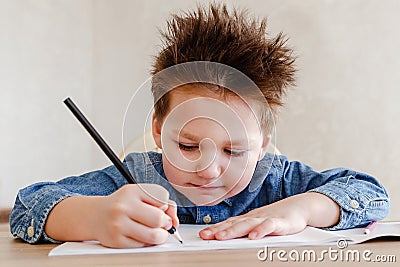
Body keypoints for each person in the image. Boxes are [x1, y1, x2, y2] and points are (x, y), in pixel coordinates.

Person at [10, 3, 389, 248]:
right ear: (159, 130)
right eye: (189, 147)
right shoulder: (136, 178)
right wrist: (90, 218)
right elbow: (28, 206)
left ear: (261, 145)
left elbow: (372, 195)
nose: (208, 170)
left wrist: (303, 209)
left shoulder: (278, 181)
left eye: (234, 151)